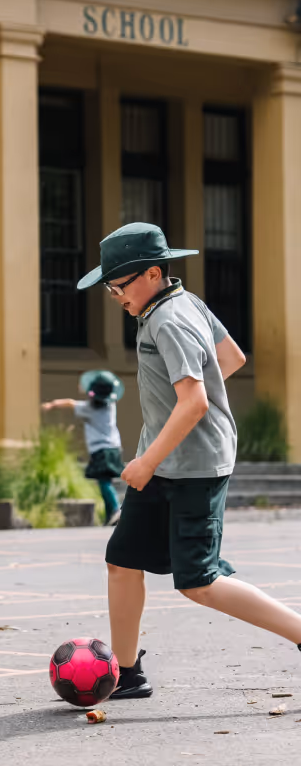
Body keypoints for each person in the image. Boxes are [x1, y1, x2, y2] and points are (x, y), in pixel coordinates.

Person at [77, 221, 301, 700]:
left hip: (192, 466)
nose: (115, 295)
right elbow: (233, 357)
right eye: (110, 288)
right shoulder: (183, 302)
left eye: (119, 286)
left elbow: (195, 402)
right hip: (166, 461)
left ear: (153, 273)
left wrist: (145, 460)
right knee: (122, 561)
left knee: (199, 583)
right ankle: (126, 671)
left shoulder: (169, 319)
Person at [42, 370, 125, 526]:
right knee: (106, 480)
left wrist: (52, 404)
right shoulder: (111, 406)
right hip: (114, 447)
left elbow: (70, 403)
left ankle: (116, 509)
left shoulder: (89, 409)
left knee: (103, 482)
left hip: (101, 450)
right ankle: (110, 518)